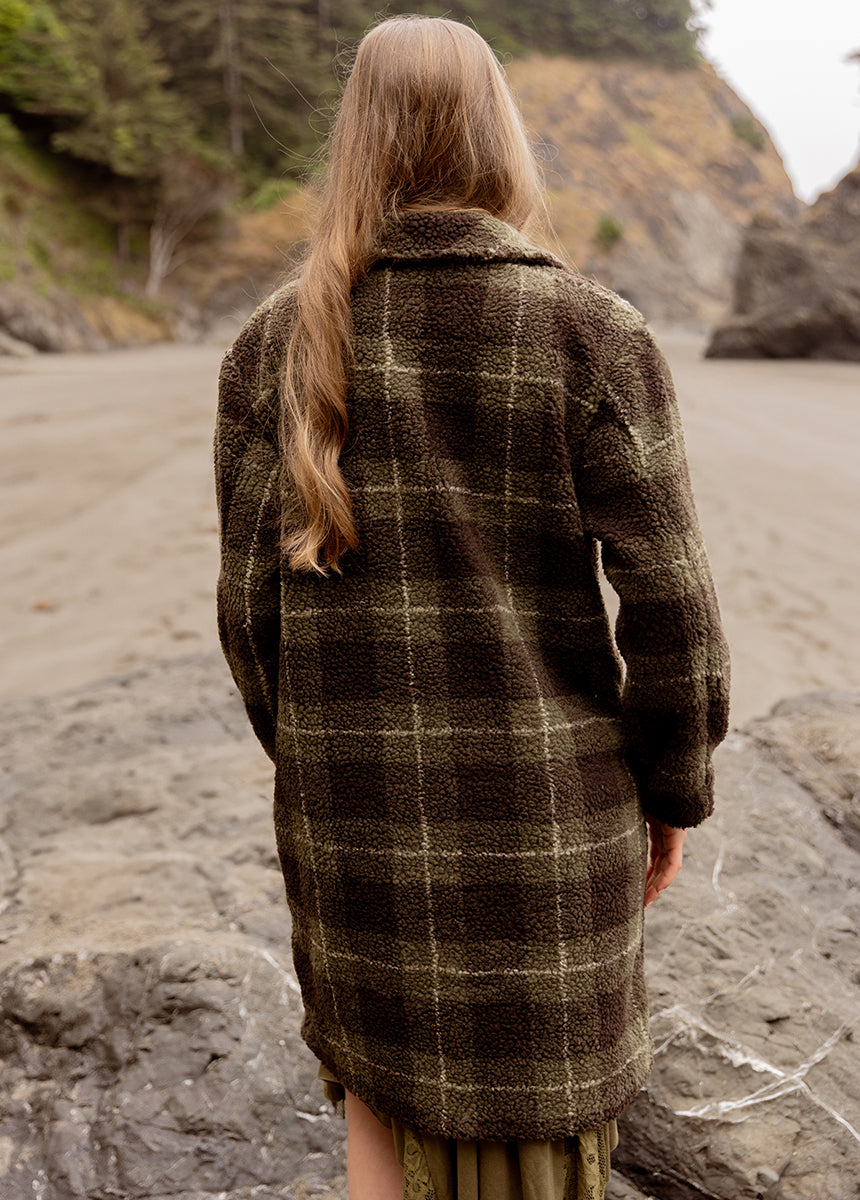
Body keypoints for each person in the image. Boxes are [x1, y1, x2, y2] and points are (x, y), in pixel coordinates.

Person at [214, 14, 730, 1200]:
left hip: (353, 828)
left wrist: (325, 769)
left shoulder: (271, 345)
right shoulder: (589, 332)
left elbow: (251, 624)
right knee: (542, 1153)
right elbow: (671, 609)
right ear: (499, 134)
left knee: (378, 1115)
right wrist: (671, 789)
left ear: (354, 141)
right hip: (546, 831)